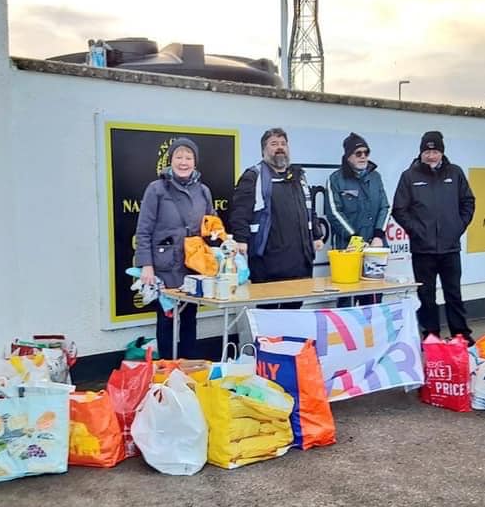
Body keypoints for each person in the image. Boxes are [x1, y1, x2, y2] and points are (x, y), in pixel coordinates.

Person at [391, 130, 475, 344]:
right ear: (421, 153)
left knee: (453, 294)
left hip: (450, 248)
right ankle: (431, 337)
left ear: (442, 153)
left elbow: (468, 202)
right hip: (423, 250)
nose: (431, 156)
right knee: (426, 296)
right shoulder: (409, 176)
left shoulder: (455, 173)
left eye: (435, 151)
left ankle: (461, 335)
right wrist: (417, 231)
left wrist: (458, 226)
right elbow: (399, 209)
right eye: (427, 151)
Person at [135, 137, 215, 359]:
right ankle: (166, 371)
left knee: (190, 319)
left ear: (195, 162)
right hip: (165, 268)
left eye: (188, 157)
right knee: (167, 320)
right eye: (179, 157)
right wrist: (146, 265)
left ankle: (189, 371)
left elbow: (212, 225)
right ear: (170, 160)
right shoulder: (156, 189)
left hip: (194, 267)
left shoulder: (204, 191)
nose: (183, 162)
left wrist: (224, 244)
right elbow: (143, 230)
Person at [230, 127, 323, 309]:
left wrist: (317, 235)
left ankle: (289, 339)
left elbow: (309, 209)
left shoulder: (298, 176)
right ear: (264, 150)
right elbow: (239, 212)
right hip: (267, 259)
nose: (279, 148)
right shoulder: (253, 176)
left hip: (299, 259)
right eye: (274, 144)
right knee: (268, 312)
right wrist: (241, 239)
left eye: (283, 144)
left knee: (293, 310)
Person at [325, 132, 389, 307]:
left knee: (374, 298)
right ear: (348, 157)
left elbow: (385, 207)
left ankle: (371, 334)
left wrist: (378, 236)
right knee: (347, 299)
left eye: (366, 152)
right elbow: (333, 212)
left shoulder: (376, 177)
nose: (363, 157)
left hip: (374, 249)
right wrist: (356, 238)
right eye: (358, 153)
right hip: (348, 250)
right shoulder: (335, 179)